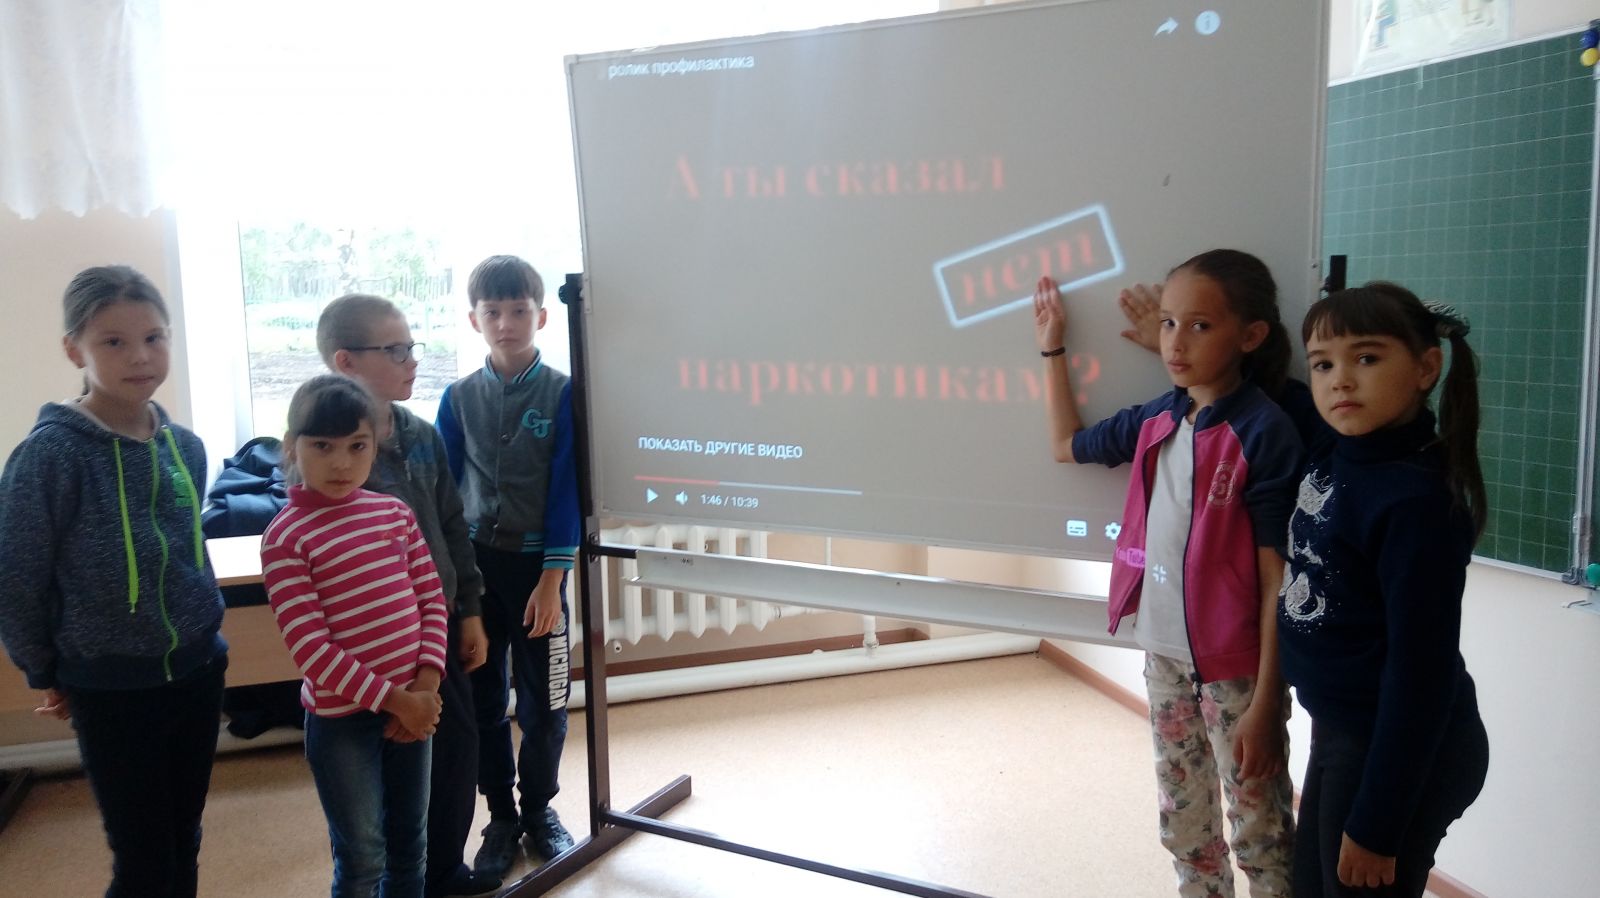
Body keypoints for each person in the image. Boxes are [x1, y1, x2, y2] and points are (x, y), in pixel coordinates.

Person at [1034, 249, 1300, 898]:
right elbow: (1066, 444)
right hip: (1164, 656)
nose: (1176, 343)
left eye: (1200, 326)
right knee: (1186, 829)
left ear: (1251, 336)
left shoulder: (1264, 430)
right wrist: (1052, 349)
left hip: (1239, 669)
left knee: (1261, 834)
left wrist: (1268, 701)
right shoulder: (1157, 419)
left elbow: (1277, 580)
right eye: (1169, 323)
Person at [0, 265, 230, 898]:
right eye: (114, 341)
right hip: (111, 687)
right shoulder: (50, 456)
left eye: (154, 337)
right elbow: (17, 576)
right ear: (74, 349)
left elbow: (188, 553)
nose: (140, 356)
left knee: (184, 837)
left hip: (197, 672)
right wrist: (45, 670)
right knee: (143, 860)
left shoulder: (185, 447)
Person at [1280, 283, 1489, 897]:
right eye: (1323, 365)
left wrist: (1377, 825)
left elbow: (1421, 678)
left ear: (1426, 368)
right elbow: (1271, 392)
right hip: (1342, 728)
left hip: (1395, 748)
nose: (1340, 380)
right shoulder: (1339, 448)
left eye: (1367, 358)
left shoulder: (1415, 503)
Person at [317, 293, 500, 897]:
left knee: (455, 749)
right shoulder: (327, 452)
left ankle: (441, 872)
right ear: (346, 361)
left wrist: (468, 609)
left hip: (434, 626)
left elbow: (451, 523)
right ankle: (389, 879)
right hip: (365, 647)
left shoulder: (421, 434)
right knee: (377, 776)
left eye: (411, 347)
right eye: (395, 350)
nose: (412, 361)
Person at [260, 374, 448, 898]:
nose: (341, 463)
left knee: (411, 847)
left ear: (375, 445)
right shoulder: (286, 537)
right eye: (323, 446)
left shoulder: (394, 514)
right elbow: (312, 652)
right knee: (364, 857)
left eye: (357, 446)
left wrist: (425, 689)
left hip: (414, 703)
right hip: (343, 722)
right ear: (292, 447)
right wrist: (398, 702)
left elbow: (432, 601)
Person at [436, 255, 580, 877]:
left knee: (545, 702)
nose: (506, 322)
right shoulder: (458, 398)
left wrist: (552, 578)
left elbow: (568, 488)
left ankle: (539, 808)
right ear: (474, 320)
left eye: (518, 310)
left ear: (540, 316)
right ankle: (500, 815)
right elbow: (444, 494)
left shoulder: (564, 393)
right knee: (482, 701)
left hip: (538, 574)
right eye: (492, 312)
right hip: (476, 575)